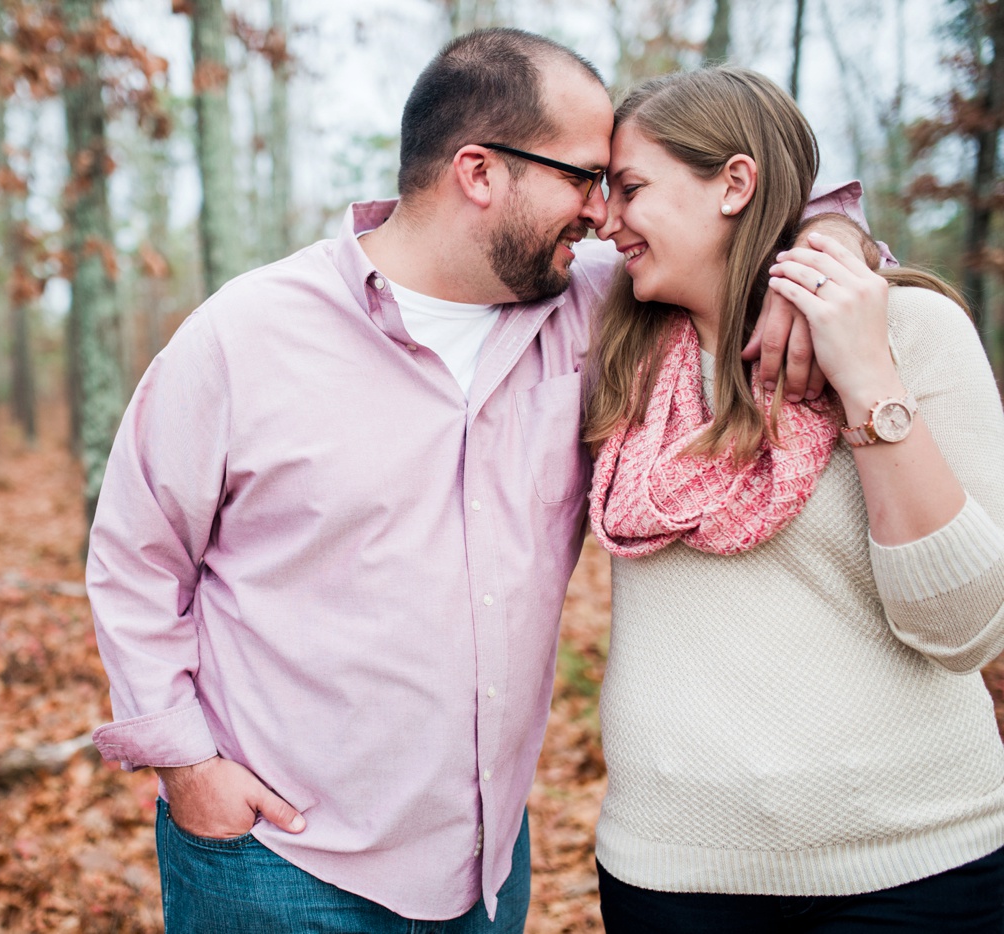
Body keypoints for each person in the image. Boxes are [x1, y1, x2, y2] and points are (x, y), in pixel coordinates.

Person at [87, 30, 818, 932]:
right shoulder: (245, 335)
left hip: (484, 870)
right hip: (273, 861)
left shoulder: (597, 310)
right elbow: (135, 560)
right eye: (584, 177)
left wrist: (818, 257)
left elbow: (758, 212)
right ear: (479, 171)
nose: (601, 214)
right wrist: (186, 766)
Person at [585, 65, 1004, 933]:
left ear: (735, 182)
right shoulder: (606, 343)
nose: (604, 217)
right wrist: (834, 232)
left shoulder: (912, 331)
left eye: (629, 189)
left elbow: (967, 629)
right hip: (670, 870)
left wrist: (867, 378)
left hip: (918, 867)